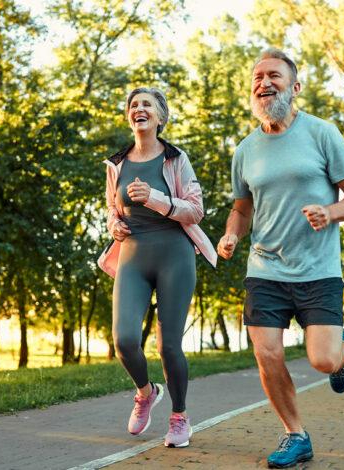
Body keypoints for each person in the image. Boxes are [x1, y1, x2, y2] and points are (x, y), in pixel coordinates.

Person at [217, 48, 344, 468]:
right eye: (257, 77)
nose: (264, 83)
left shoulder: (322, 133)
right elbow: (243, 209)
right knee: (267, 353)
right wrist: (231, 234)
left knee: (322, 360)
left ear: (295, 86)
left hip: (318, 269)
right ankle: (295, 435)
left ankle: (342, 350)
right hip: (265, 267)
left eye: (274, 76)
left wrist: (330, 211)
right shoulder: (245, 149)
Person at [97, 86, 217, 448]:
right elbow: (111, 209)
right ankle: (146, 392)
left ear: (160, 117)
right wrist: (113, 225)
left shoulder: (176, 159)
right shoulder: (116, 165)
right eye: (134, 105)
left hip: (175, 255)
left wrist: (156, 199)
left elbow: (195, 210)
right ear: (129, 117)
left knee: (168, 346)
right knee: (125, 341)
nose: (140, 109)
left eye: (147, 104)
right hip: (132, 255)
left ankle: (179, 416)